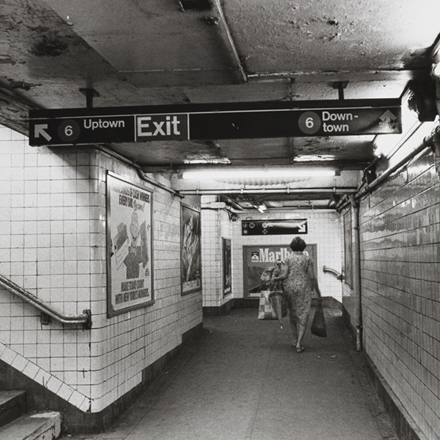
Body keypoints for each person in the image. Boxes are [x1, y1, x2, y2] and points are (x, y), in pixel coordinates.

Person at [269, 237, 322, 353]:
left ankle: (294, 339)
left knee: (292, 313)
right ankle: (299, 343)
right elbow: (312, 277)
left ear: (291, 247)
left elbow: (284, 275)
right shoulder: (307, 259)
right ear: (303, 247)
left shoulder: (288, 258)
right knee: (303, 314)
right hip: (304, 288)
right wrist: (318, 292)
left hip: (290, 288)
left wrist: (275, 278)